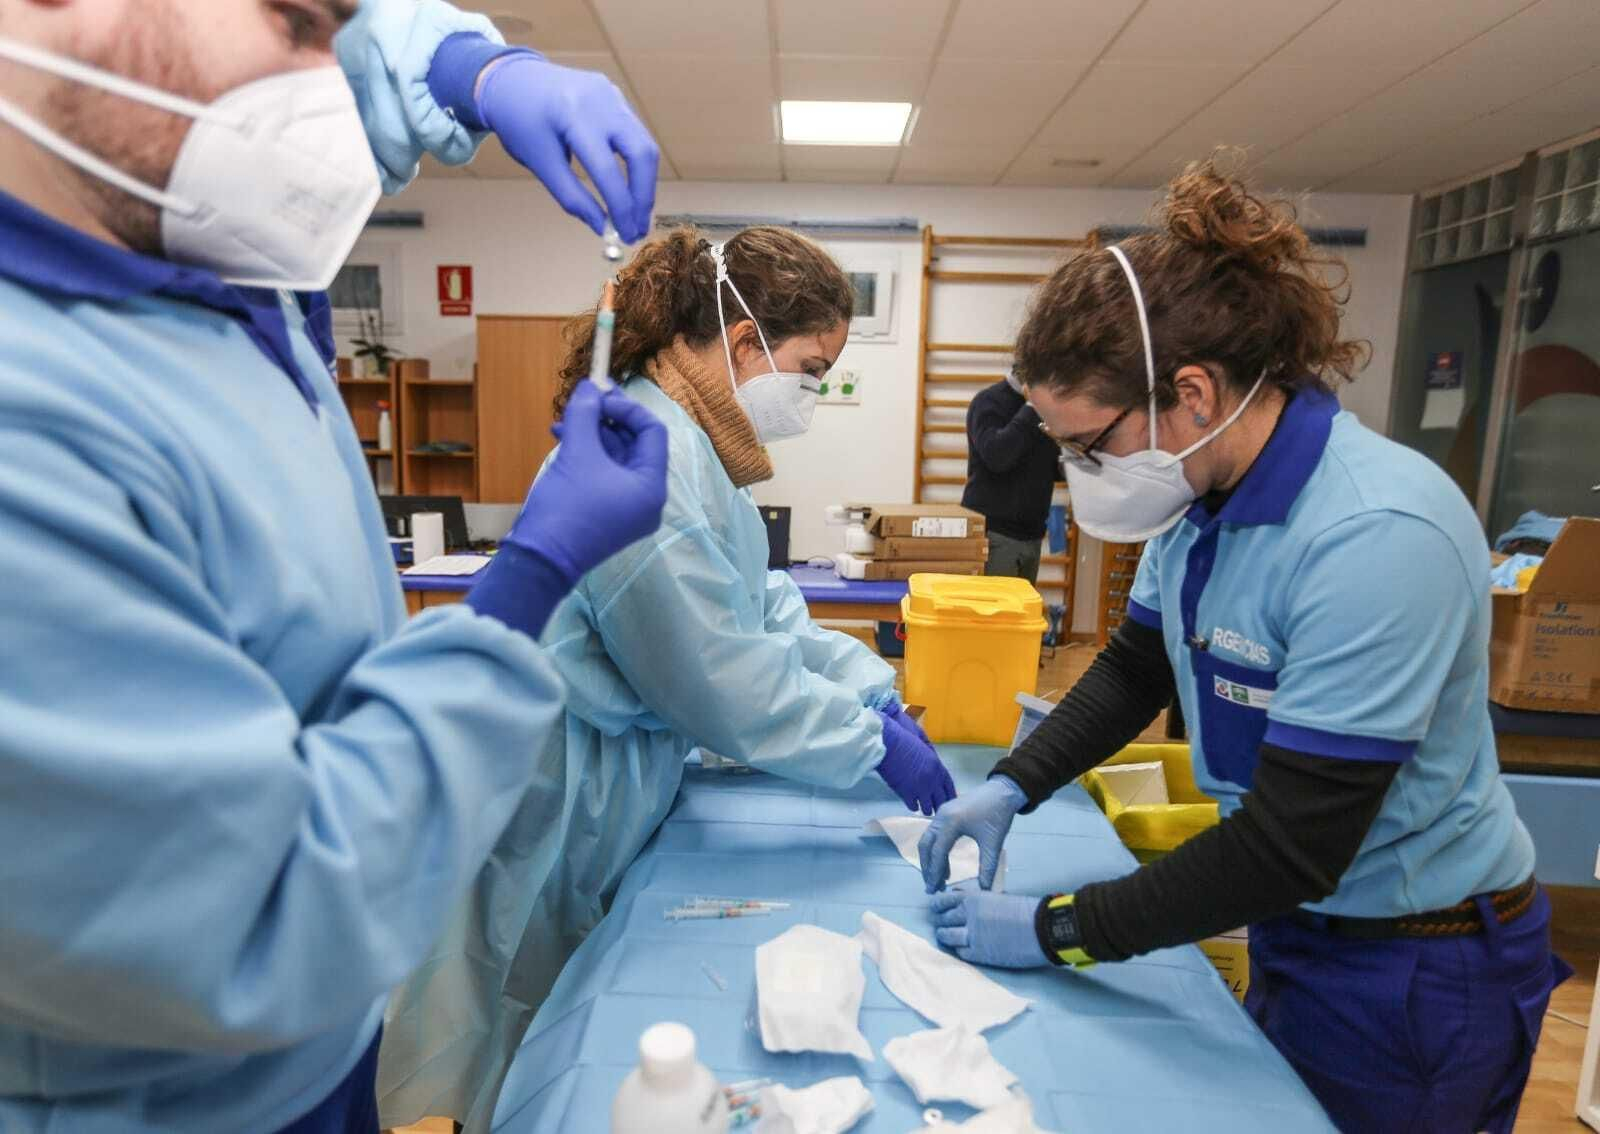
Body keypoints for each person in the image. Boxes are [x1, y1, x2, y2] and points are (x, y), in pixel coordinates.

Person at [0, 1, 666, 1131]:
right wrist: (529, 575)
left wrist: (473, 70)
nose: (329, 80)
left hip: (323, 1045)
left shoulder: (192, 276)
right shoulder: (33, 425)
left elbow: (347, 67)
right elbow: (259, 915)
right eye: (299, 23)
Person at [918, 157, 1570, 1134]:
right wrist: (1015, 783)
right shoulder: (1199, 504)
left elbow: (1290, 846)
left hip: (1417, 961)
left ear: (1191, 393)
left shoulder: (1374, 534)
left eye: (1088, 445)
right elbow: (1135, 667)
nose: (1078, 473)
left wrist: (1059, 930)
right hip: (1300, 926)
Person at [379, 226, 957, 1130]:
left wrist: (869, 686)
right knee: (520, 1016)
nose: (813, 393)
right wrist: (867, 742)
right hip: (555, 784)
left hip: (608, 772)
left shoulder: (697, 448)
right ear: (744, 343)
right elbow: (717, 677)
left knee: (562, 1002)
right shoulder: (649, 448)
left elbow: (762, 608)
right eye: (811, 370)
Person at [961, 371, 1062, 583]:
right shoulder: (989, 402)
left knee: (1022, 605)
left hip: (1032, 535)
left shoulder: (1048, 406)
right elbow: (997, 456)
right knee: (993, 605)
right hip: (995, 533)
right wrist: (1032, 407)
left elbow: (1051, 469)